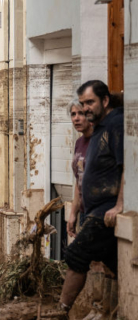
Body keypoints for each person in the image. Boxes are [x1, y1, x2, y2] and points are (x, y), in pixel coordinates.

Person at [60, 80, 124, 312]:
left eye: (89, 103)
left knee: (77, 254)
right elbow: (81, 181)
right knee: (115, 264)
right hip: (93, 211)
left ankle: (61, 311)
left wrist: (119, 205)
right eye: (81, 106)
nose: (84, 110)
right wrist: (74, 212)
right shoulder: (99, 129)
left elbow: (125, 167)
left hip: (105, 211)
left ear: (104, 101)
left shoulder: (115, 124)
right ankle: (111, 315)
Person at [67, 100, 94, 238]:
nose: (76, 118)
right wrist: (73, 213)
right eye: (73, 114)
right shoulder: (79, 143)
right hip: (84, 212)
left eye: (81, 113)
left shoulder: (100, 140)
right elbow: (79, 181)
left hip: (98, 213)